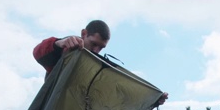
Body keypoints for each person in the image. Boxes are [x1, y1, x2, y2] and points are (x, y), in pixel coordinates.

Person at [33, 20, 168, 105]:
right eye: (93, 44)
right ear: (84, 33)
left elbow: (121, 91)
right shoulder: (65, 52)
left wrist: (152, 98)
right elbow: (39, 53)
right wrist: (59, 43)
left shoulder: (100, 68)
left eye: (101, 47)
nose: (96, 50)